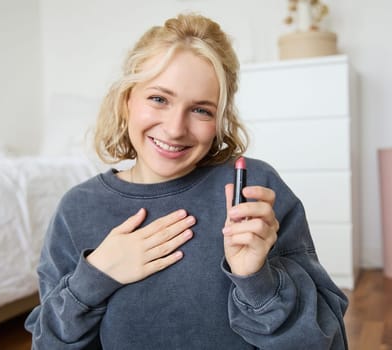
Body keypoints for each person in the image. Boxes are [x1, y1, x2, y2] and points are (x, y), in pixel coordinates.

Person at [25, 13, 348, 349]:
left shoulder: (255, 190)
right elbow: (47, 342)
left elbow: (325, 339)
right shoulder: (77, 209)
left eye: (201, 110)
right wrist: (92, 279)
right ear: (127, 101)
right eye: (159, 99)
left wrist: (257, 281)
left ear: (220, 120)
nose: (176, 128)